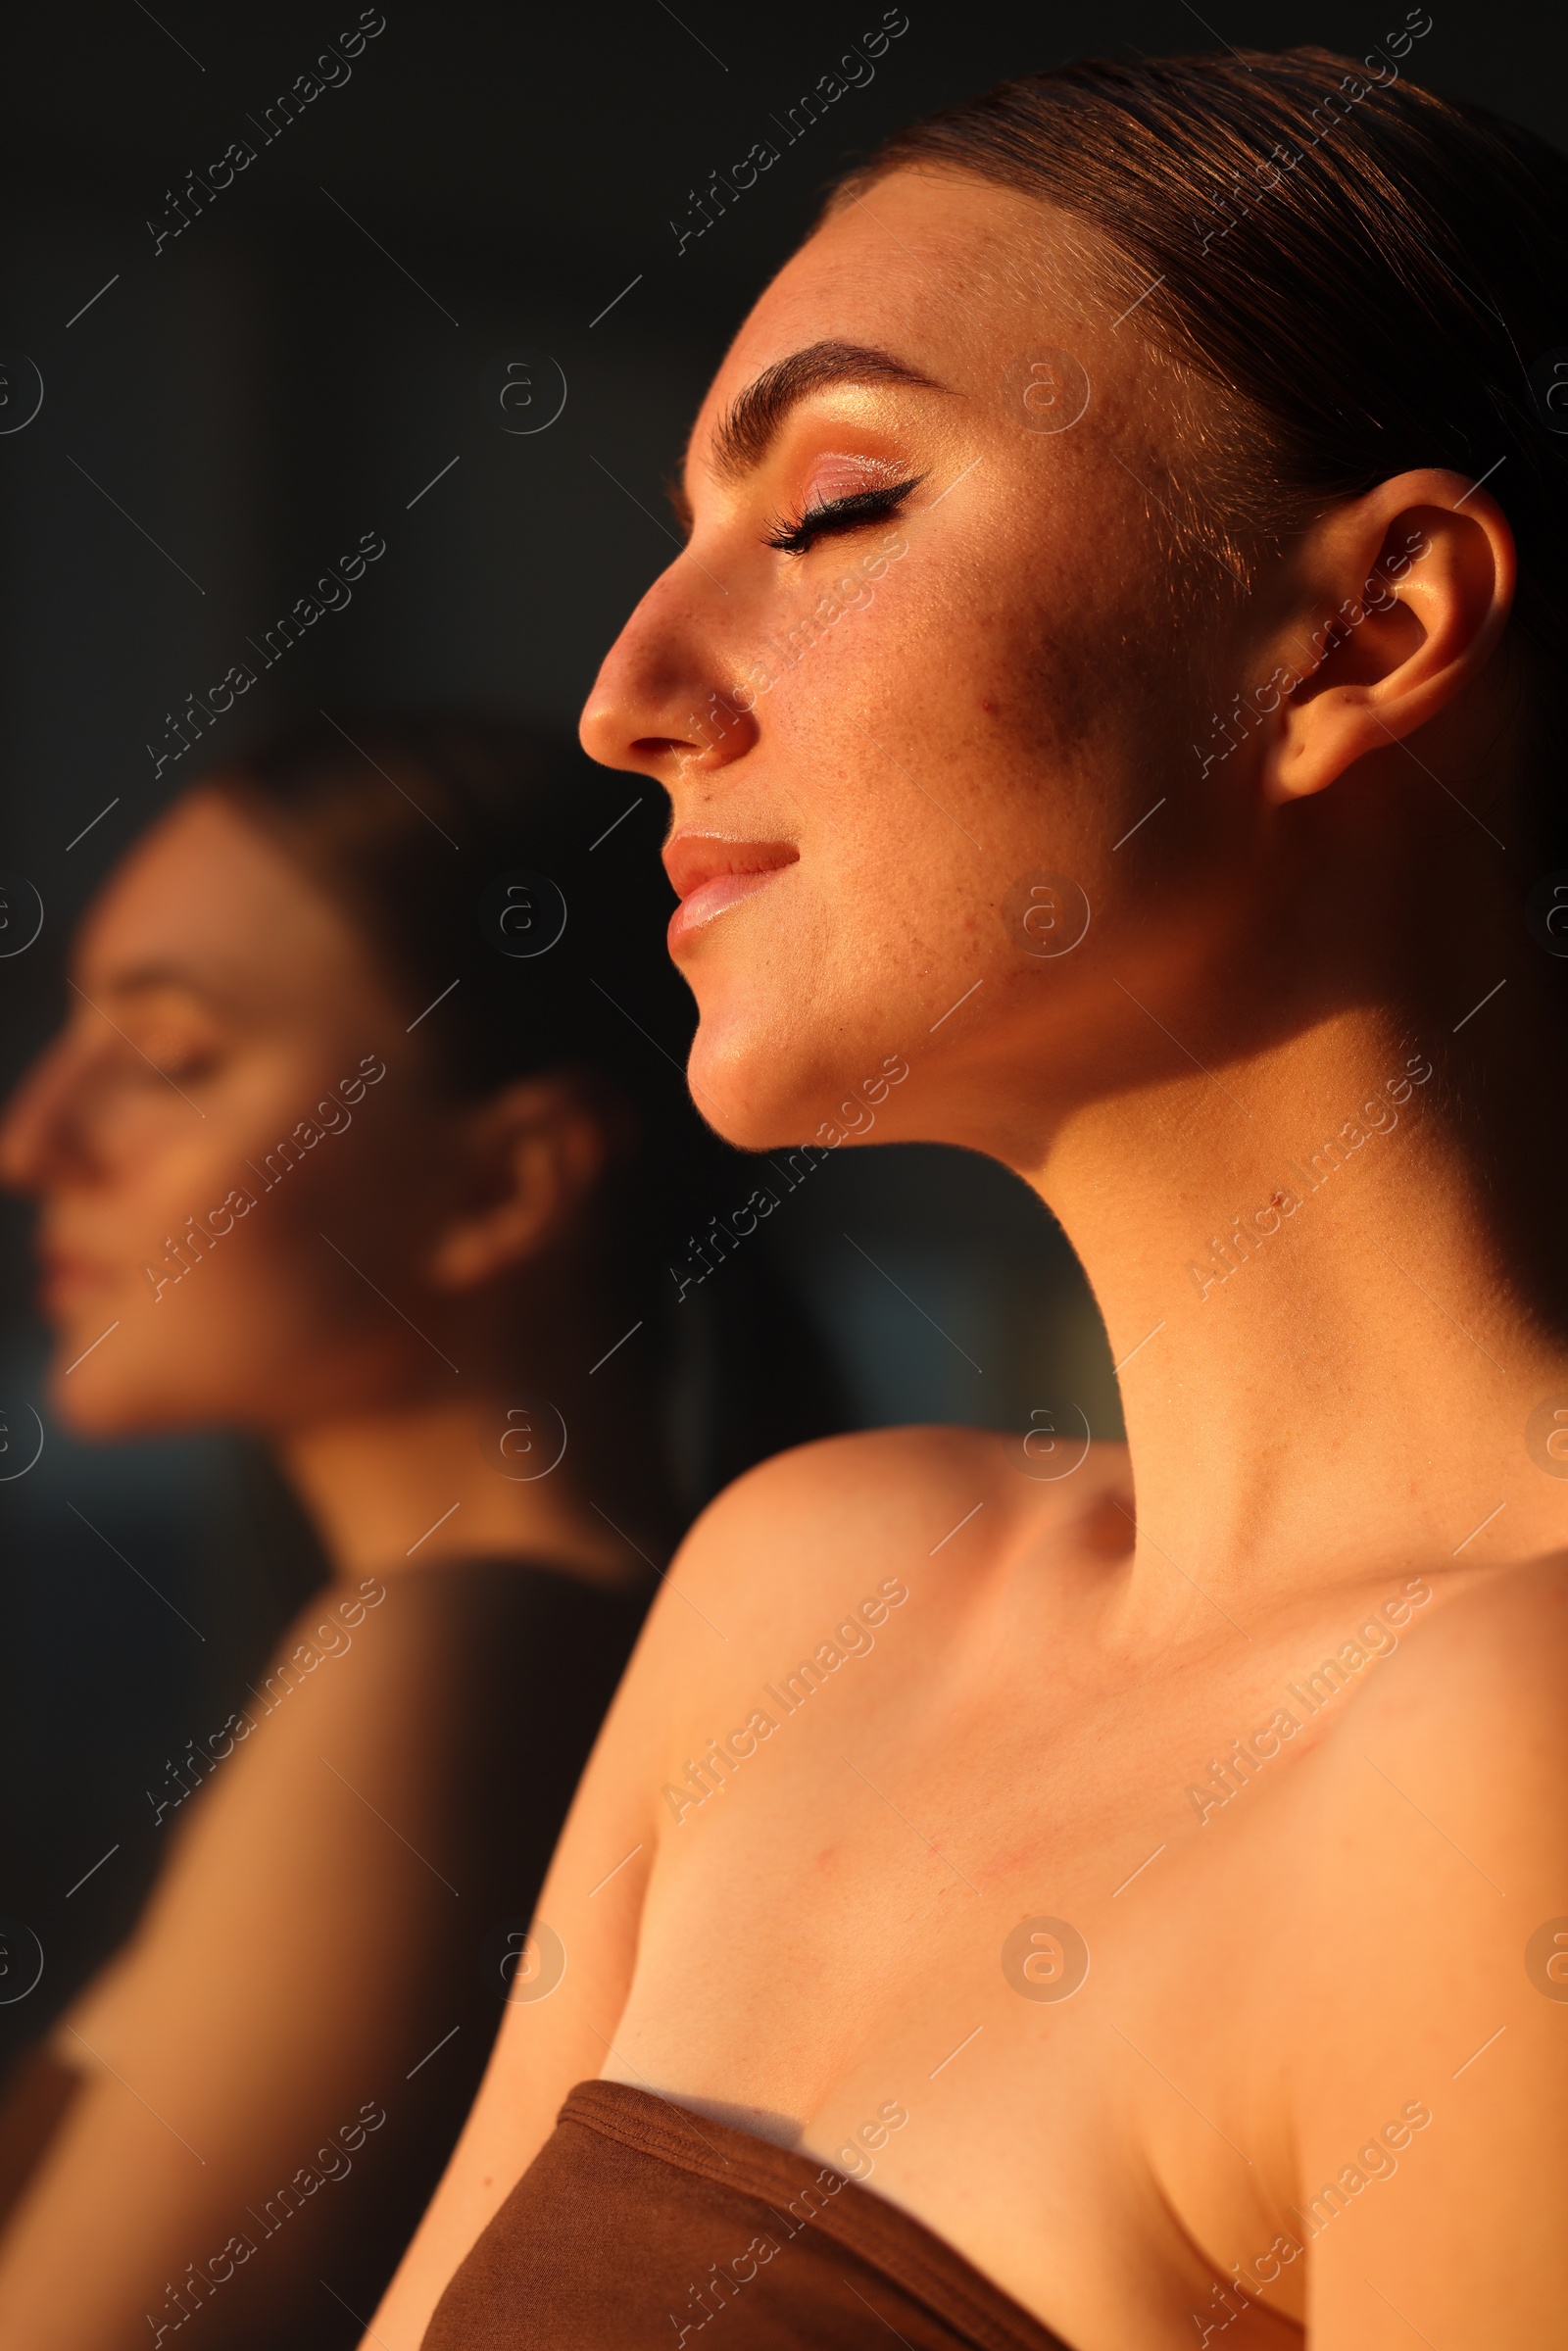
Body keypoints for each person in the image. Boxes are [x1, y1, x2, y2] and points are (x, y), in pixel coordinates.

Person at [367, 46, 1568, 2351]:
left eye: (833, 509)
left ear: (1366, 630)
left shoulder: (1507, 1750)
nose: (628, 693)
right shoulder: (802, 1590)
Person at [0, 715, 841, 2349]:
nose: (34, 1141)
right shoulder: (563, 1636)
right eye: (70, 1034)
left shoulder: (456, 1649)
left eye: (168, 1058)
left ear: (510, 1183)